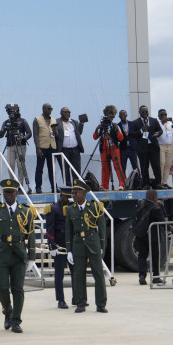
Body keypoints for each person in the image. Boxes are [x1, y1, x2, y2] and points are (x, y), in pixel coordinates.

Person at [0, 179, 37, 333]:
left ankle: (16, 321)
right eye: (6, 192)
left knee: (18, 289)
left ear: (16, 193)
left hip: (19, 254)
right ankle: (7, 311)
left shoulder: (26, 211)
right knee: (1, 288)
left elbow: (31, 235)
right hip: (1, 254)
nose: (8, 195)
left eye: (11, 192)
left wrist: (32, 257)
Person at [66, 179, 108, 313]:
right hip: (78, 244)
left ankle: (101, 304)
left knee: (98, 274)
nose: (73, 195)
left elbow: (102, 228)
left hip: (92, 242)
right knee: (79, 275)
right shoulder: (70, 209)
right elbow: (68, 231)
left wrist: (102, 245)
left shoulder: (95, 207)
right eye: (73, 193)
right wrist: (69, 250)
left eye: (76, 193)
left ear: (84, 194)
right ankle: (80, 303)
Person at [44, 186, 73, 308]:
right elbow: (50, 229)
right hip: (60, 243)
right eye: (65, 196)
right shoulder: (53, 208)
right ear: (61, 196)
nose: (67, 198)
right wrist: (52, 246)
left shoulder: (72, 208)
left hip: (71, 244)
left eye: (69, 197)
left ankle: (77, 297)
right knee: (59, 273)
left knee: (75, 272)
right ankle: (60, 300)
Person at [134, 189, 166, 285]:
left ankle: (142, 276)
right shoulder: (156, 208)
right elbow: (162, 222)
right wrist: (170, 228)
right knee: (155, 256)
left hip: (141, 234)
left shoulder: (140, 205)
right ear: (154, 197)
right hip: (153, 236)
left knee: (142, 255)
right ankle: (156, 277)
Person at [0, 105, 32, 189]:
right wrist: (4, 130)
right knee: (11, 166)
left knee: (20, 166)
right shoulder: (6, 122)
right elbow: (0, 135)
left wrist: (23, 138)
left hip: (21, 146)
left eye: (14, 111)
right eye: (10, 112)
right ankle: (12, 186)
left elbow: (29, 133)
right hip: (10, 146)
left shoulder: (23, 121)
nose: (12, 113)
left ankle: (20, 186)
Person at [93, 105, 126, 190]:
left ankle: (122, 183)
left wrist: (117, 129)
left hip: (114, 147)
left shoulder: (115, 125)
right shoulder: (102, 125)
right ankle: (104, 185)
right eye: (109, 115)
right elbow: (95, 137)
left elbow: (121, 138)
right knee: (104, 167)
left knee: (117, 166)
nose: (110, 117)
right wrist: (97, 129)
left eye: (112, 115)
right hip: (104, 148)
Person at [129, 105, 162, 188]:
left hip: (153, 146)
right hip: (142, 148)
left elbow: (160, 130)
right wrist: (141, 130)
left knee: (156, 166)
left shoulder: (154, 120)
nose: (145, 113)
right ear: (139, 112)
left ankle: (158, 183)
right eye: (143, 112)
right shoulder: (134, 122)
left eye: (146, 111)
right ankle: (146, 184)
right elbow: (131, 134)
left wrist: (157, 133)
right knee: (144, 167)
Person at [55, 107, 85, 186]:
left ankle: (77, 187)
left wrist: (81, 123)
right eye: (66, 112)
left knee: (76, 169)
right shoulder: (56, 122)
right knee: (65, 170)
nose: (68, 114)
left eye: (69, 112)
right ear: (61, 113)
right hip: (63, 150)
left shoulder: (74, 122)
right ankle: (68, 188)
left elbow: (79, 133)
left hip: (75, 149)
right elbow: (55, 134)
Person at [33, 103, 58, 194]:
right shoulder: (37, 119)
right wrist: (37, 148)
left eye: (51, 109)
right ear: (44, 109)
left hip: (52, 147)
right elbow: (35, 135)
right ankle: (38, 187)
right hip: (42, 147)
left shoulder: (54, 120)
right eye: (48, 108)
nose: (50, 110)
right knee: (40, 168)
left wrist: (55, 131)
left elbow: (57, 135)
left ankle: (54, 187)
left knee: (52, 169)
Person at [117, 109, 140, 180]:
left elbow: (137, 134)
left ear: (126, 115)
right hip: (123, 149)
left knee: (135, 166)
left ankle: (138, 181)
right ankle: (124, 183)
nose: (123, 116)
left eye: (124, 114)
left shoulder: (132, 124)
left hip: (132, 148)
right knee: (123, 167)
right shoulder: (117, 126)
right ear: (119, 116)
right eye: (121, 114)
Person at [157, 110, 173, 188]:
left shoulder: (170, 124)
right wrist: (162, 122)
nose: (164, 116)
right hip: (161, 145)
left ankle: (165, 182)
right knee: (162, 163)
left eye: (165, 114)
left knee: (168, 164)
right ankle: (160, 182)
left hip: (170, 146)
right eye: (162, 115)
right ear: (159, 116)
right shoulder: (158, 124)